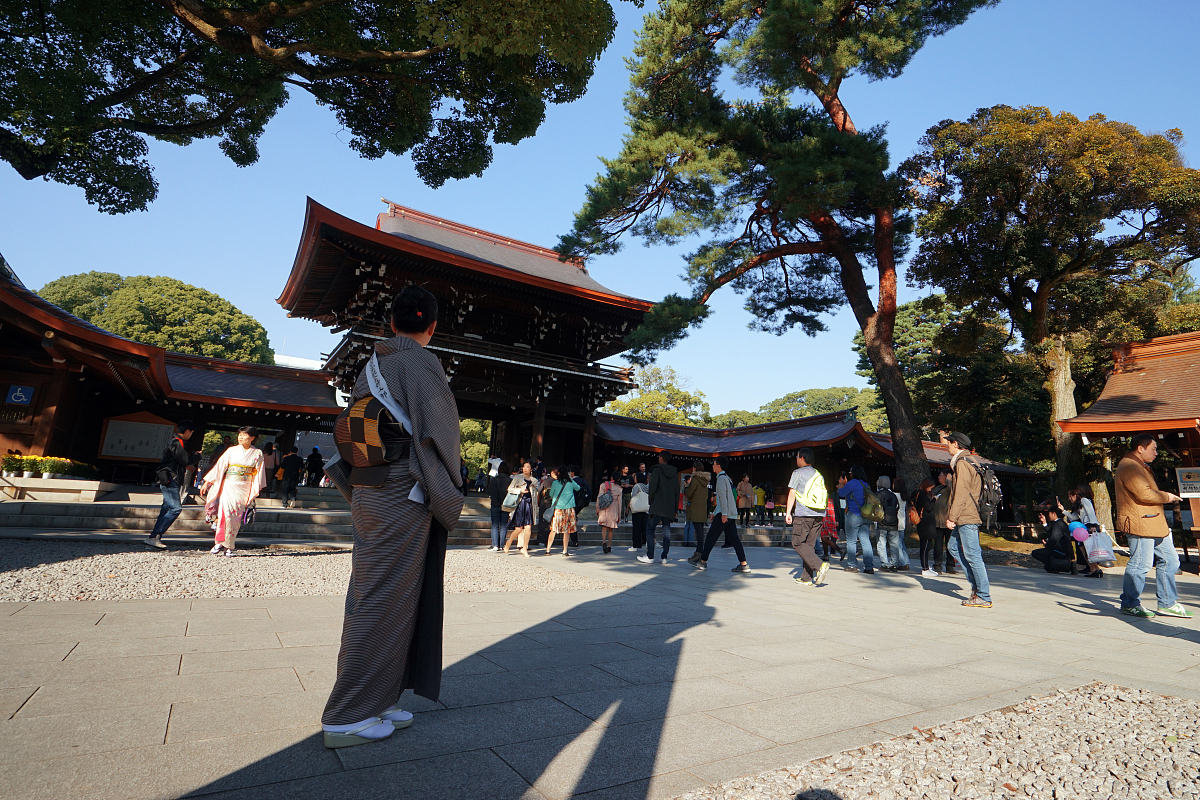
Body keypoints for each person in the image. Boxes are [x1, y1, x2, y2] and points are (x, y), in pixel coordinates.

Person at [320, 284, 464, 749]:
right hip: (403, 490)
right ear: (432, 326)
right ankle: (346, 714)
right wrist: (453, 483)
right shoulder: (421, 362)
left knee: (386, 592)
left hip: (371, 484)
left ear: (391, 323)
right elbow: (442, 431)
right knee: (383, 596)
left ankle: (378, 697)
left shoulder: (374, 363)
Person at [1116, 434, 1190, 618]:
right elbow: (1144, 494)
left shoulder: (1137, 465)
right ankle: (1130, 603)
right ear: (1140, 448)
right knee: (1140, 564)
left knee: (1171, 560)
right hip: (1141, 522)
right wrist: (1167, 496)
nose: (1156, 453)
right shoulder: (1130, 465)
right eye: (1153, 449)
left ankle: (1167, 603)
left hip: (1153, 522)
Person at [201, 425, 266, 556]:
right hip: (229, 485)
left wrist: (254, 490)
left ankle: (229, 545)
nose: (240, 437)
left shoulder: (258, 453)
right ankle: (219, 543)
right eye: (239, 434)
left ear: (252, 438)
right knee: (224, 514)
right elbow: (220, 466)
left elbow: (258, 473)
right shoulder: (231, 450)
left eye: (244, 435)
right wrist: (207, 482)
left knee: (236, 517)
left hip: (244, 487)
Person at [945, 431, 991, 608]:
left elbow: (961, 492)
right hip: (967, 514)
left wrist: (952, 517)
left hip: (966, 515)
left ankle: (983, 595)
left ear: (956, 444)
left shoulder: (963, 463)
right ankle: (976, 588)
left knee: (973, 555)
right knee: (953, 547)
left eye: (949, 442)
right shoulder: (970, 460)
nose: (947, 445)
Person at [690, 456, 751, 573]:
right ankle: (744, 564)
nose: (712, 466)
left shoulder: (721, 479)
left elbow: (723, 497)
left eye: (714, 464)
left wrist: (723, 514)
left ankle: (702, 561)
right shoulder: (726, 478)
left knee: (711, 537)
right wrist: (715, 512)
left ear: (718, 466)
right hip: (730, 513)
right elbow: (725, 497)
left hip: (725, 513)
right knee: (735, 539)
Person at [143, 420, 195, 550]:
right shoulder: (177, 442)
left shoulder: (176, 442)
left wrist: (188, 464)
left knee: (166, 509)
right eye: (191, 432)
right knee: (175, 508)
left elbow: (178, 461)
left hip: (169, 478)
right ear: (187, 431)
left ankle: (154, 537)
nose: (191, 435)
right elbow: (184, 460)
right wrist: (196, 457)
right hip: (170, 478)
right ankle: (154, 536)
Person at [784, 448, 829, 586]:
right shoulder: (818, 474)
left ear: (802, 458)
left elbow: (792, 493)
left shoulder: (797, 473)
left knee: (797, 542)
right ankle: (806, 578)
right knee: (809, 545)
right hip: (819, 514)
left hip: (804, 513)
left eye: (797, 456)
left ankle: (819, 565)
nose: (796, 459)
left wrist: (788, 512)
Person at [638, 450, 679, 564]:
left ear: (661, 458)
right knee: (666, 530)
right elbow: (676, 491)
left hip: (657, 505)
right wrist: (675, 508)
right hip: (669, 506)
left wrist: (651, 501)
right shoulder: (674, 473)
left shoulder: (656, 470)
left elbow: (652, 488)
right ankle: (664, 556)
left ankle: (650, 555)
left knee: (650, 529)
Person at [838, 465, 875, 574]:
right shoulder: (866, 485)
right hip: (865, 516)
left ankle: (852, 565)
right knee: (865, 540)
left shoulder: (852, 483)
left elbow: (841, 493)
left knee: (851, 541)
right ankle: (869, 566)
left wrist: (842, 484)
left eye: (850, 472)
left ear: (853, 473)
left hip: (853, 515)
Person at [503, 461, 538, 557]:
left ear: (531, 469)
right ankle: (509, 542)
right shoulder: (517, 477)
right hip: (520, 504)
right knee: (518, 528)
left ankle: (525, 548)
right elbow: (510, 489)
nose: (525, 468)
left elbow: (535, 494)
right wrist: (520, 490)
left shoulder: (534, 480)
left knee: (528, 527)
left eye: (528, 467)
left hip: (529, 505)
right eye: (524, 467)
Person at [875, 475, 907, 572]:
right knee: (894, 545)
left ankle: (884, 564)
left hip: (882, 523)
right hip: (893, 522)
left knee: (881, 544)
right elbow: (897, 507)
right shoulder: (893, 495)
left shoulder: (877, 495)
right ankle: (894, 564)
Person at [1033, 505, 1078, 574]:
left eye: (1049, 513)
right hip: (1065, 551)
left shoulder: (1056, 524)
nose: (1049, 515)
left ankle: (1054, 566)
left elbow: (1054, 538)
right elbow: (1052, 533)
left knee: (1035, 553)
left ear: (1054, 513)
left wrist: (1047, 545)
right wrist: (1044, 523)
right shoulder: (1063, 523)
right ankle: (1062, 566)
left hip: (1058, 550)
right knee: (1046, 566)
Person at [912, 479, 940, 577]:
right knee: (925, 546)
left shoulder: (917, 494)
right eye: (930, 487)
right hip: (926, 523)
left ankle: (926, 566)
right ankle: (925, 568)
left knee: (925, 545)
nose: (931, 490)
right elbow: (928, 507)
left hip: (923, 523)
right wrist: (934, 500)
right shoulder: (921, 495)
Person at [546, 466, 577, 556]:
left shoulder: (555, 483)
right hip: (569, 508)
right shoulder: (571, 482)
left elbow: (551, 494)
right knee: (567, 530)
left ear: (559, 473)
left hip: (558, 508)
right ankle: (565, 550)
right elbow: (578, 488)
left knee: (553, 529)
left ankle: (548, 549)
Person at [932, 469, 957, 574]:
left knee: (949, 545)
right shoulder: (937, 488)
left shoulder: (950, 488)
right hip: (937, 521)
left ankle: (950, 565)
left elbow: (954, 492)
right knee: (938, 545)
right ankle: (937, 565)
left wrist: (948, 480)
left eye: (941, 475)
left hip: (948, 521)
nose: (939, 477)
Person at [684, 461, 710, 550]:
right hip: (702, 508)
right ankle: (700, 549)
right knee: (700, 531)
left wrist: (686, 488)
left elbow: (689, 493)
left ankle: (699, 551)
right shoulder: (706, 480)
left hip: (694, 508)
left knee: (696, 529)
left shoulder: (695, 479)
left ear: (695, 468)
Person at [596, 468, 623, 554]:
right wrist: (619, 515)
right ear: (618, 479)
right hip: (614, 508)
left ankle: (604, 542)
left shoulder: (604, 485)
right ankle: (609, 545)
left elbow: (599, 497)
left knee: (604, 527)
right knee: (611, 528)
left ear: (611, 477)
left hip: (604, 507)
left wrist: (597, 508)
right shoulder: (619, 489)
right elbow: (620, 503)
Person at [487, 460, 512, 551]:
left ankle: (495, 545)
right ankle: (501, 545)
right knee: (503, 525)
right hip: (506, 504)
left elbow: (488, 491)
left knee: (495, 525)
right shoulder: (510, 480)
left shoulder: (494, 479)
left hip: (495, 503)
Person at [569, 465, 591, 549]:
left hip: (572, 503)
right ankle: (574, 540)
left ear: (572, 473)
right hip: (581, 504)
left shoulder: (571, 482)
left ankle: (574, 540)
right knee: (573, 520)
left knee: (571, 522)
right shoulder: (583, 481)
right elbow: (589, 492)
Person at [628, 473, 649, 552]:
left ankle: (636, 545)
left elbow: (633, 496)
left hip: (637, 509)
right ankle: (646, 543)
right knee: (644, 527)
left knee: (636, 528)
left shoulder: (636, 486)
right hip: (645, 509)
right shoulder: (646, 486)